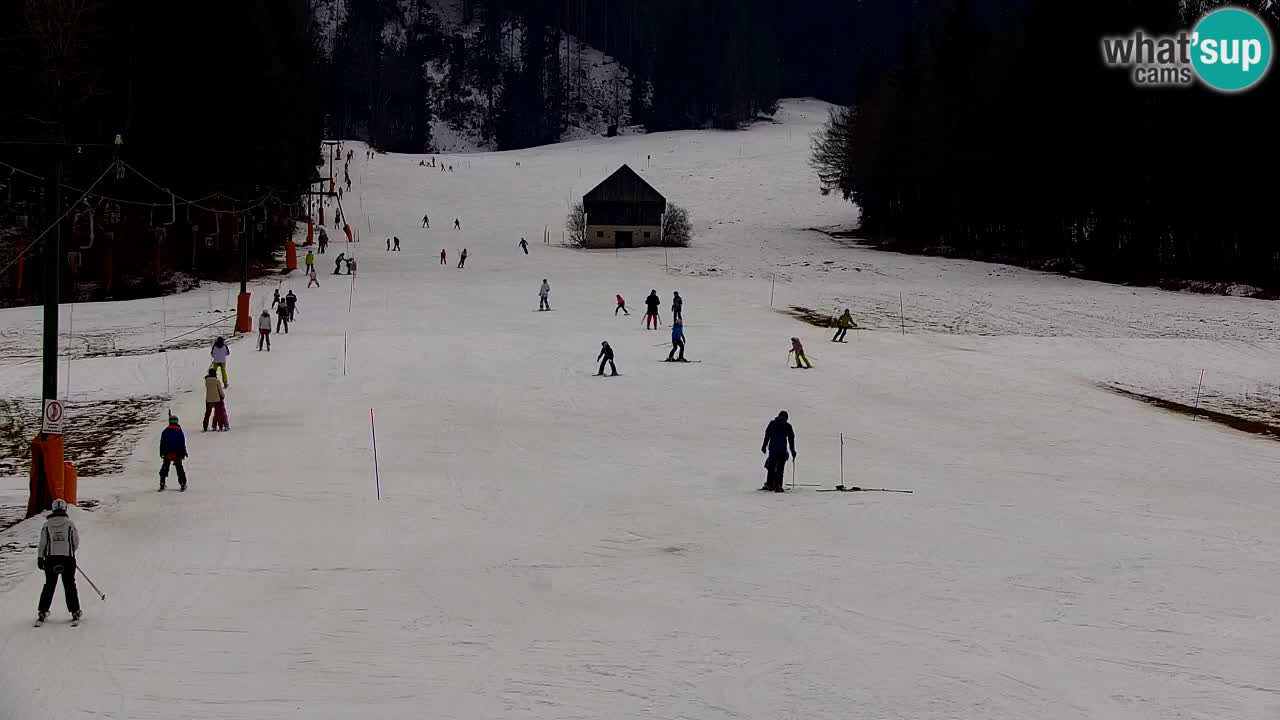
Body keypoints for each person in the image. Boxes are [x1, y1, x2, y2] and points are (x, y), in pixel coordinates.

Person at [36, 498, 80, 625]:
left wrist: (40, 557)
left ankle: (42, 611)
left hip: (51, 559)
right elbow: (75, 542)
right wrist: (70, 551)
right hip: (67, 558)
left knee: (49, 585)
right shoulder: (70, 524)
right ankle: (75, 611)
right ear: (65, 509)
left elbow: (43, 543)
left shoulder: (47, 525)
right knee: (70, 584)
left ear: (53, 509)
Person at [761, 411, 797, 492]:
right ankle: (778, 486)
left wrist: (764, 446)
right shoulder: (787, 426)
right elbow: (791, 440)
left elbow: (767, 435)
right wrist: (793, 451)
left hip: (772, 449)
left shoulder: (772, 423)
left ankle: (770, 484)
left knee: (771, 467)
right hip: (782, 450)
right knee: (780, 469)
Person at [159, 415, 188, 491]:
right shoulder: (179, 431)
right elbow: (182, 443)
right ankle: (182, 484)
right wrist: (183, 453)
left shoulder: (165, 431)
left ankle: (162, 482)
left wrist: (161, 452)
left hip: (167, 452)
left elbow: (162, 443)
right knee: (179, 468)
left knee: (165, 467)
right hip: (177, 453)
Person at [202, 367, 225, 432]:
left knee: (207, 413)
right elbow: (220, 391)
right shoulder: (217, 381)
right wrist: (223, 396)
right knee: (218, 413)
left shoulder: (206, 381)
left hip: (208, 399)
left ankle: (205, 427)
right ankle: (220, 426)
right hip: (216, 399)